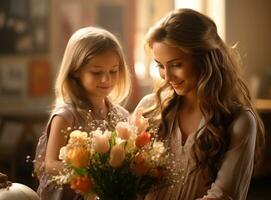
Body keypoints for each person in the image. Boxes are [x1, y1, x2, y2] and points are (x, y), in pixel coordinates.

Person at [134, 8, 265, 200]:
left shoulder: (239, 121)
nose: (167, 76)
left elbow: (223, 195)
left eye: (176, 64)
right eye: (160, 65)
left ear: (204, 58)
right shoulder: (150, 109)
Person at [34, 26, 131, 200]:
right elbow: (50, 164)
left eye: (113, 71)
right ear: (76, 71)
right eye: (96, 72)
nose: (106, 79)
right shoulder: (65, 115)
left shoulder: (121, 116)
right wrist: (93, 175)